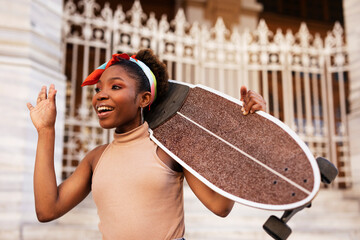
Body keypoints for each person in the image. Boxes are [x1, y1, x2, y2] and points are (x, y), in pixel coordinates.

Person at [27, 49, 266, 239]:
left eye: (116, 86)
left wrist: (244, 133)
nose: (100, 94)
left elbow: (220, 205)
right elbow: (48, 210)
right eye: (98, 89)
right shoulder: (95, 159)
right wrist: (46, 131)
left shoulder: (170, 148)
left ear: (144, 98)